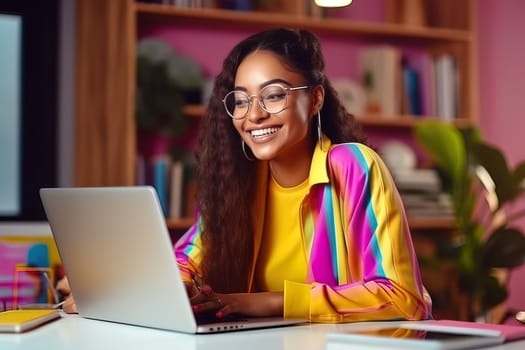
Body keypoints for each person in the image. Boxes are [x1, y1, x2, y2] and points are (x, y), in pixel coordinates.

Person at [61, 28, 432, 322]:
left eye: (273, 95)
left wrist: (267, 303)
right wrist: (130, 293)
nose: (253, 115)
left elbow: (403, 299)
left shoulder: (352, 166)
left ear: (316, 99)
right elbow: (185, 259)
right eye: (240, 100)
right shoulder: (239, 183)